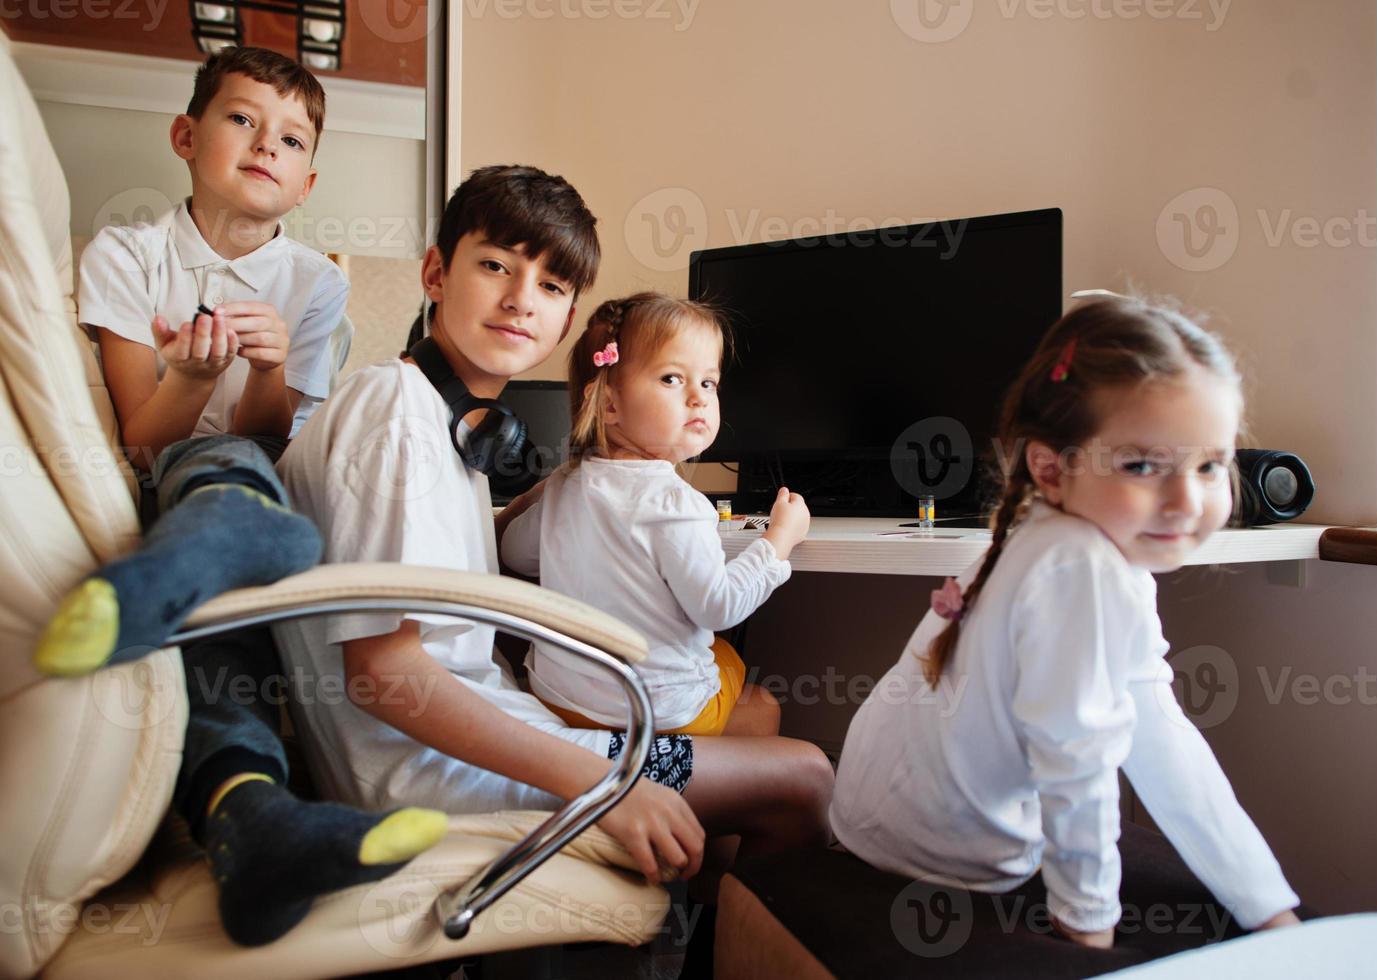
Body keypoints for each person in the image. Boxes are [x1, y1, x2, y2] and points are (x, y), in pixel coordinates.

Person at [272, 165, 833, 908]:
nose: (518, 300)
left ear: (567, 321)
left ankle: (686, 930)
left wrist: (536, 506)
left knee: (752, 726)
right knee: (804, 779)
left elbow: (461, 580)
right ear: (436, 272)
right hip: (438, 777)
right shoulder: (396, 422)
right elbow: (384, 677)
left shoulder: (451, 428)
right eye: (496, 266)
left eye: (550, 286)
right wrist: (607, 785)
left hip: (491, 738)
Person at [31, 47, 446, 947]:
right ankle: (255, 817)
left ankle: (246, 809)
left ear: (306, 183)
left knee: (237, 494)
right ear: (187, 135)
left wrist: (264, 366)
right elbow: (144, 435)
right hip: (170, 482)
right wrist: (188, 374)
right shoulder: (126, 254)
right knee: (210, 494)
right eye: (242, 120)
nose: (266, 144)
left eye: (291, 138)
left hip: (257, 483)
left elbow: (268, 434)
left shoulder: (314, 283)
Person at [829, 295, 1301, 951]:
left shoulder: (1058, 535)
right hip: (938, 853)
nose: (1186, 501)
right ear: (1050, 468)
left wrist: (1263, 902)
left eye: (1209, 465)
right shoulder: (1080, 567)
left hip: (875, 817)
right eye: (1141, 465)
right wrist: (1087, 923)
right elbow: (1076, 762)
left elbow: (1158, 735)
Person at [499, 292, 807, 737]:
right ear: (608, 405)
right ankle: (728, 788)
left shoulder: (565, 487)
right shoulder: (676, 504)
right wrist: (779, 538)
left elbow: (515, 553)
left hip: (560, 699)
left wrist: (542, 498)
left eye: (708, 383)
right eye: (671, 379)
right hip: (652, 712)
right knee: (753, 691)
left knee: (715, 655)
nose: (698, 399)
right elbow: (719, 606)